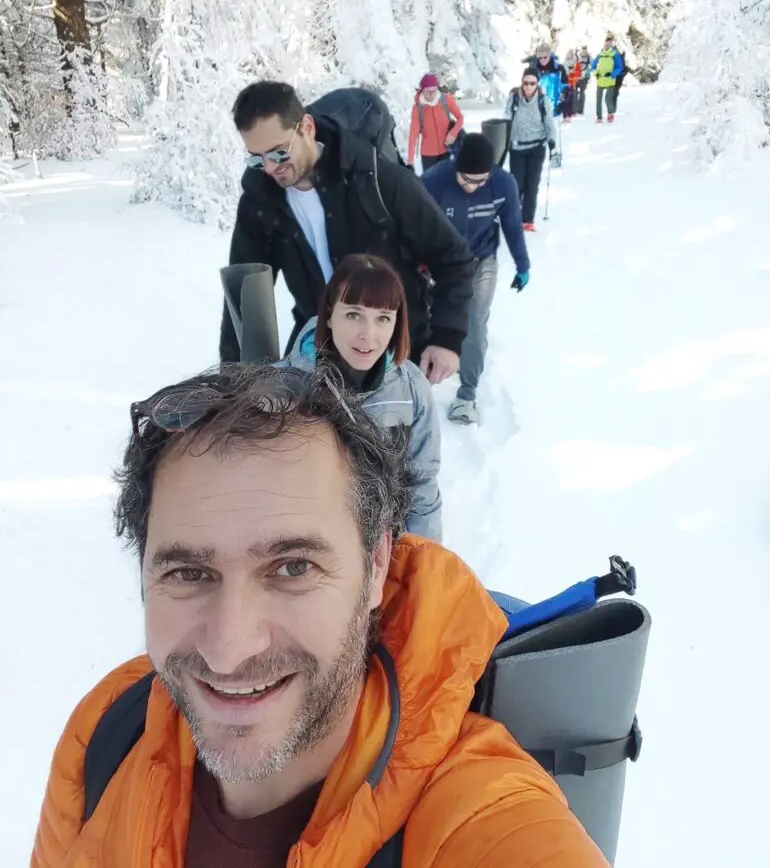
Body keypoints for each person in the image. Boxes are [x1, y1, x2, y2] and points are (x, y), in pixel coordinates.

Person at [31, 364, 608, 868]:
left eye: (292, 569)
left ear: (376, 565)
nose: (229, 649)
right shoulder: (109, 728)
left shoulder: (481, 814)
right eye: (188, 573)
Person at [220, 81, 475, 384]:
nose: (269, 167)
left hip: (393, 354)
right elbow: (244, 296)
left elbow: (453, 257)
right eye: (255, 158)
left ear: (307, 128)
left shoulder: (376, 178)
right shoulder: (260, 202)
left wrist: (447, 337)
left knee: (394, 432)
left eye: (278, 153)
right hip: (320, 356)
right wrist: (234, 384)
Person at [283, 253, 441, 540]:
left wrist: (420, 565)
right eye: (354, 315)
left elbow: (422, 485)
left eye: (383, 318)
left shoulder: (411, 388)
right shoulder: (284, 386)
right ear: (330, 315)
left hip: (385, 550)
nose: (368, 335)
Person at [423, 134, 531, 425]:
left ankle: (466, 396)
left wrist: (523, 265)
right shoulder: (434, 180)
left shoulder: (503, 183)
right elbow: (414, 224)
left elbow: (512, 226)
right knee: (431, 320)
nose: (473, 186)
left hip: (482, 260)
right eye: (467, 180)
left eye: (480, 180)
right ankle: (422, 385)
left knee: (474, 322)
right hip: (441, 263)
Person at [504, 67, 558, 231]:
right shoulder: (514, 98)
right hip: (518, 147)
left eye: (532, 83)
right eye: (526, 83)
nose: (528, 86)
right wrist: (503, 138)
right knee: (516, 185)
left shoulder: (544, 101)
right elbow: (507, 117)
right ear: (522, 82)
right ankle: (514, 216)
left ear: (537, 84)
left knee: (532, 184)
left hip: (537, 147)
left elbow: (549, 123)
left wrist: (552, 141)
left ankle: (527, 220)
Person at [407, 74, 465, 170]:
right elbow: (413, 134)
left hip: (447, 150)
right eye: (427, 91)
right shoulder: (418, 108)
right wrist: (410, 161)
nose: (431, 94)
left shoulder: (445, 99)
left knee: (446, 182)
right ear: (422, 90)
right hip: (428, 154)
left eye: (433, 90)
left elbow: (460, 118)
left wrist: (452, 133)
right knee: (430, 183)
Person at [524, 44, 569, 116]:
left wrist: (562, 105)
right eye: (540, 58)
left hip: (554, 111)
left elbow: (565, 87)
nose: (542, 60)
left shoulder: (559, 69)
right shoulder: (533, 70)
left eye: (545, 57)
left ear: (550, 56)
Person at [591, 37, 624, 123]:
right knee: (598, 100)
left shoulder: (615, 54)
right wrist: (596, 73)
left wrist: (612, 74)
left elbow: (619, 67)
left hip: (610, 80)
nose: (607, 45)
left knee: (607, 99)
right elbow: (593, 66)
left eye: (609, 43)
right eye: (606, 43)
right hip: (600, 80)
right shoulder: (600, 54)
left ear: (611, 44)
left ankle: (610, 114)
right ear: (604, 43)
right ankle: (599, 117)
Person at [575, 46, 592, 116]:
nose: (583, 52)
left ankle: (580, 109)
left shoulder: (589, 58)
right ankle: (575, 108)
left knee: (582, 93)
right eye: (582, 51)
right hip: (576, 78)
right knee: (574, 93)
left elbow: (592, 66)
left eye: (585, 51)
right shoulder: (577, 57)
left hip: (584, 78)